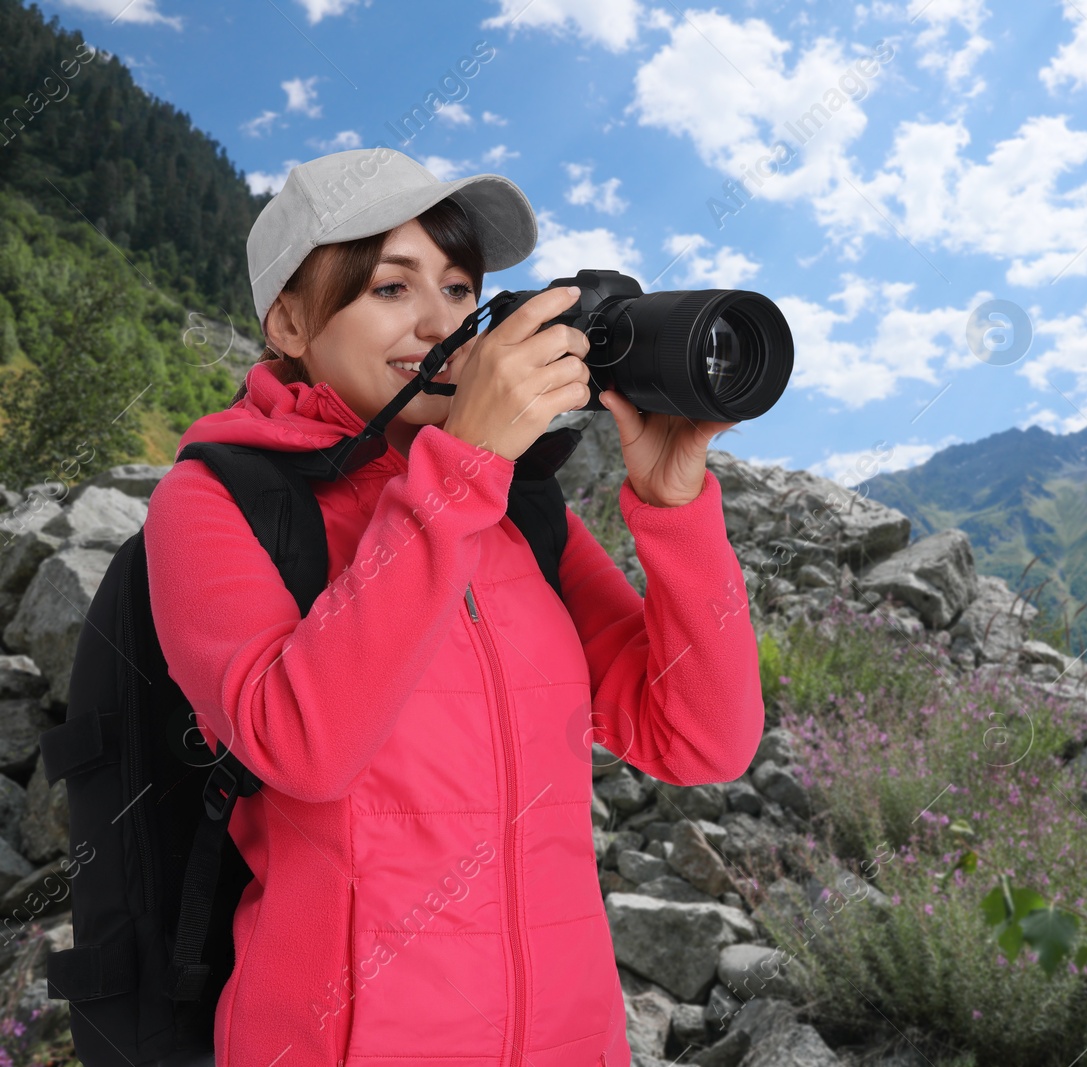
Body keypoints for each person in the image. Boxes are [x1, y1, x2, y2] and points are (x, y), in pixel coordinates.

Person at [142, 147, 765, 1067]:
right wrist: (462, 469)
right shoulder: (217, 499)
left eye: (458, 287)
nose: (438, 321)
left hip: (570, 1038)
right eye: (391, 288)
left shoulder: (518, 507)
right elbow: (301, 744)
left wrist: (676, 513)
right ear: (289, 320)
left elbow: (703, 738)